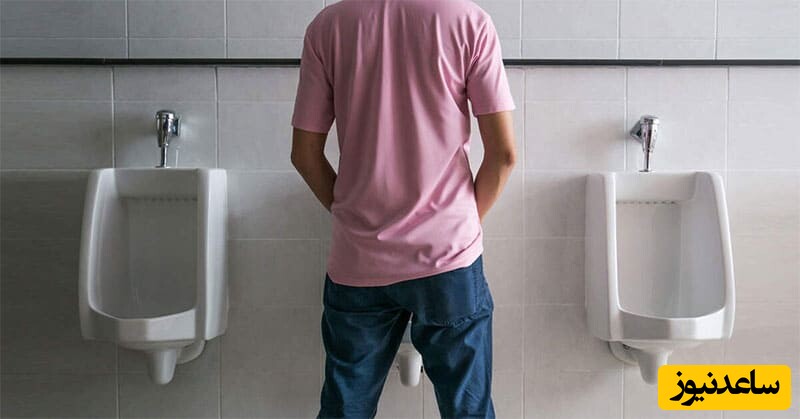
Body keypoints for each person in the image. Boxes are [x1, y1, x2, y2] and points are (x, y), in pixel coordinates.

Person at [290, 1, 517, 418]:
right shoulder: (468, 21)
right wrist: (460, 221)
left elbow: (304, 154)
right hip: (446, 255)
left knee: (345, 409)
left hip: (359, 260)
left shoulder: (327, 27)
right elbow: (503, 155)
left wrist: (351, 216)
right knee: (467, 411)